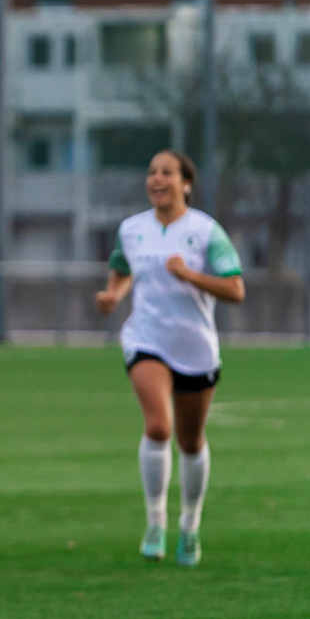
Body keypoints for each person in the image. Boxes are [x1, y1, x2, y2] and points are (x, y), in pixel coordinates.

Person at [94, 150, 244, 567]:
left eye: (166, 173)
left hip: (195, 347)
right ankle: (155, 522)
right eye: (151, 172)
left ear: (186, 183)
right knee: (159, 426)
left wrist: (190, 275)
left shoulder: (205, 231)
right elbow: (122, 270)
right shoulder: (132, 230)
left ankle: (190, 525)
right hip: (147, 339)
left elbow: (236, 289)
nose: (156, 179)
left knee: (191, 441)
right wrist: (113, 295)